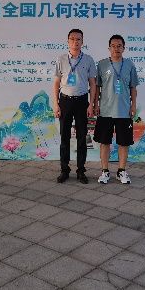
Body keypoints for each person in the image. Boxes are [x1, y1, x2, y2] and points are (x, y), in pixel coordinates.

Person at [93, 34, 139, 184]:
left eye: (119, 46)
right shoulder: (102, 64)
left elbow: (133, 88)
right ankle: (105, 171)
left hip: (124, 110)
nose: (116, 48)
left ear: (124, 48)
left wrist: (133, 105)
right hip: (105, 110)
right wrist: (96, 104)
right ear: (109, 48)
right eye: (113, 46)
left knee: (124, 142)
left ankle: (121, 171)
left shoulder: (130, 65)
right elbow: (97, 87)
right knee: (104, 142)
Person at [53, 29, 97, 184]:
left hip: (82, 102)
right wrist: (56, 104)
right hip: (65, 101)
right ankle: (64, 170)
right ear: (68, 41)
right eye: (72, 39)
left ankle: (81, 171)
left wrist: (91, 105)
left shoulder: (88, 60)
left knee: (82, 138)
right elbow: (56, 83)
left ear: (82, 42)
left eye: (78, 39)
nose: (75, 42)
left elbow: (93, 84)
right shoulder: (61, 59)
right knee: (64, 137)